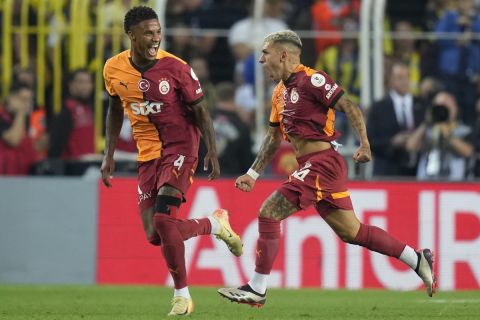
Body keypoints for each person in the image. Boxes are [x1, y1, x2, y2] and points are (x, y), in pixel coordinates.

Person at [217, 30, 436, 307]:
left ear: (283, 55)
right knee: (353, 233)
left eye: (265, 53)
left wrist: (364, 144)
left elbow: (350, 107)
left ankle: (257, 288)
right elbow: (273, 137)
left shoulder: (312, 80)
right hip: (313, 166)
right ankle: (417, 259)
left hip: (322, 164)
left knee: (268, 213)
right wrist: (252, 173)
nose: (261, 60)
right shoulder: (279, 93)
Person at [101, 6, 243, 316]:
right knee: (155, 234)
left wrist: (212, 150)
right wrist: (108, 154)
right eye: (148, 33)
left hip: (181, 147)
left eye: (158, 32)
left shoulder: (176, 68)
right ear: (131, 35)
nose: (155, 38)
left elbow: (201, 111)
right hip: (147, 154)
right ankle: (215, 225)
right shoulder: (113, 69)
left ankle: (182, 296)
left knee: (166, 221)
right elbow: (114, 109)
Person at [367, 62, 427, 177]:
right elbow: (370, 141)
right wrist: (392, 142)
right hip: (387, 172)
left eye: (407, 77)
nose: (404, 81)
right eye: (399, 77)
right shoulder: (378, 108)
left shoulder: (421, 105)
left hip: (417, 173)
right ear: (390, 80)